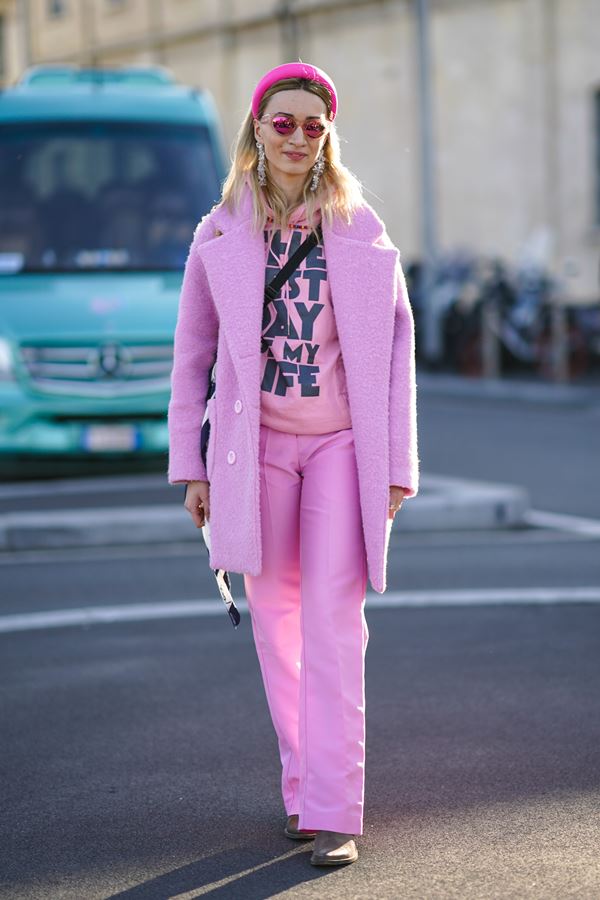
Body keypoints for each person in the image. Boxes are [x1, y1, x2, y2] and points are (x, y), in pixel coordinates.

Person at [167, 61, 419, 867]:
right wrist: (192, 467)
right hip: (257, 452)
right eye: (284, 122)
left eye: (314, 125)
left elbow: (398, 354)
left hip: (344, 447)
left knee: (336, 624)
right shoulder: (220, 233)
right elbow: (191, 360)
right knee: (277, 629)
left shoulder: (358, 226)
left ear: (328, 135)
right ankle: (304, 791)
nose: (298, 138)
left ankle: (337, 811)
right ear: (257, 129)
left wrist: (396, 468)